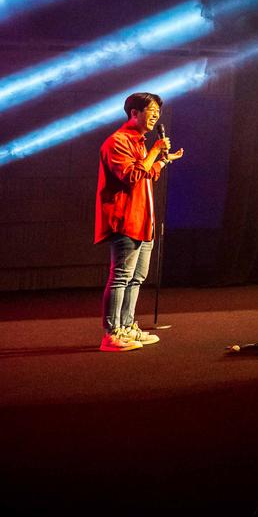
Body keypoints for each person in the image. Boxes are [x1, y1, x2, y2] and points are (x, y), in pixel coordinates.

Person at [95, 92, 182, 352]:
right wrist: (155, 150)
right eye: (151, 111)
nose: (156, 116)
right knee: (121, 277)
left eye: (158, 112)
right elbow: (132, 175)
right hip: (126, 220)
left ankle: (127, 326)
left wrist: (163, 160)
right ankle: (112, 334)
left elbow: (147, 173)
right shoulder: (117, 141)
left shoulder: (140, 143)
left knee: (137, 278)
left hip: (144, 220)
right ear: (134, 113)